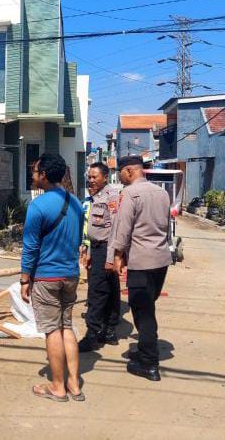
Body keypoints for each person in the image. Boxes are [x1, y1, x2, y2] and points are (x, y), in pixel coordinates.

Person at [20, 153, 85, 402]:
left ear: (44, 175)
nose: (33, 175)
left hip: (46, 277)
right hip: (70, 274)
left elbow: (30, 247)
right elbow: (78, 240)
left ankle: (57, 387)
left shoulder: (38, 205)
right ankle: (74, 385)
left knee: (51, 331)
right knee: (66, 326)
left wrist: (25, 279)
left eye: (35, 171)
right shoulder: (77, 203)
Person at [109, 155, 172, 381]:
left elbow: (123, 229)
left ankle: (149, 363)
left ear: (129, 171)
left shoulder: (130, 193)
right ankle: (146, 350)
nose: (120, 178)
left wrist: (117, 256)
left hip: (141, 262)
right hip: (161, 260)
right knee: (147, 307)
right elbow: (166, 226)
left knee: (143, 313)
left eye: (121, 173)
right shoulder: (162, 192)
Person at [78, 162, 122, 352]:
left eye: (95, 177)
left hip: (106, 249)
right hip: (97, 247)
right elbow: (92, 226)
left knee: (97, 292)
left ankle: (93, 334)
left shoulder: (111, 197)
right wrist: (86, 248)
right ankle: (109, 331)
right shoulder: (95, 196)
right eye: (89, 176)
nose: (91, 180)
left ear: (105, 177)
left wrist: (110, 258)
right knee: (110, 289)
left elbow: (115, 229)